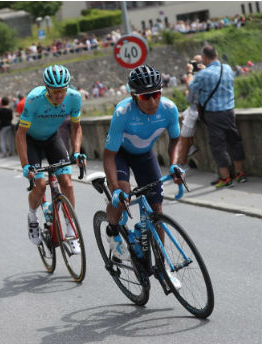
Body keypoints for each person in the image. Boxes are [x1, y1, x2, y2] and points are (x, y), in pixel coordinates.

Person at [103, 64, 183, 288]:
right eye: (145, 96)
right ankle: (112, 230)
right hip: (119, 155)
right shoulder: (122, 113)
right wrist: (114, 188)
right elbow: (108, 156)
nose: (152, 101)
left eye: (156, 94)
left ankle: (163, 268)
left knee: (157, 210)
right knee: (124, 195)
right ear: (133, 96)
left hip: (145, 155)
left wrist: (175, 164)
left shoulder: (169, 109)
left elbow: (176, 139)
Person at [15, 64, 86, 254]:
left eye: (62, 91)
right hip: (31, 141)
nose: (58, 96)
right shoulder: (34, 99)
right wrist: (25, 165)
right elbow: (20, 134)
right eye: (54, 92)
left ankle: (71, 230)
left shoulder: (74, 97)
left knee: (67, 184)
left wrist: (77, 152)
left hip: (52, 139)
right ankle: (32, 217)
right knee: (40, 184)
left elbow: (76, 127)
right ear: (47, 88)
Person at [187, 44, 247, 188]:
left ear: (205, 58)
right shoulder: (226, 68)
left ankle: (225, 178)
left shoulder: (203, 74)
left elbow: (191, 91)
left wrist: (189, 73)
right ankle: (240, 173)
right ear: (217, 54)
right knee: (234, 141)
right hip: (229, 111)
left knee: (218, 145)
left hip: (213, 114)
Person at [179, 54, 204, 168]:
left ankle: (182, 164)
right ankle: (192, 144)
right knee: (183, 115)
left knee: (183, 138)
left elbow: (189, 98)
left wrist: (189, 72)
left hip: (196, 111)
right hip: (199, 109)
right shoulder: (207, 73)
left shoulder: (197, 77)